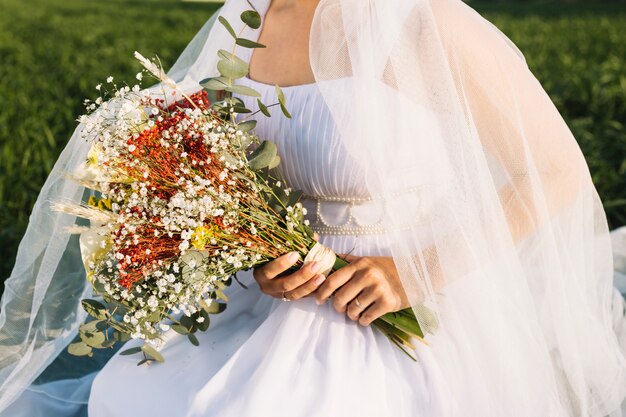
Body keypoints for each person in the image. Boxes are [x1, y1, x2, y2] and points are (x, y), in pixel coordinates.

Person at [1, 0, 625, 416]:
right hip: (276, 294)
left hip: (416, 294)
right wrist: (254, 258)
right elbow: (222, 168)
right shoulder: (244, 16)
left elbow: (553, 169)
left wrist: (416, 272)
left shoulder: (420, 20)